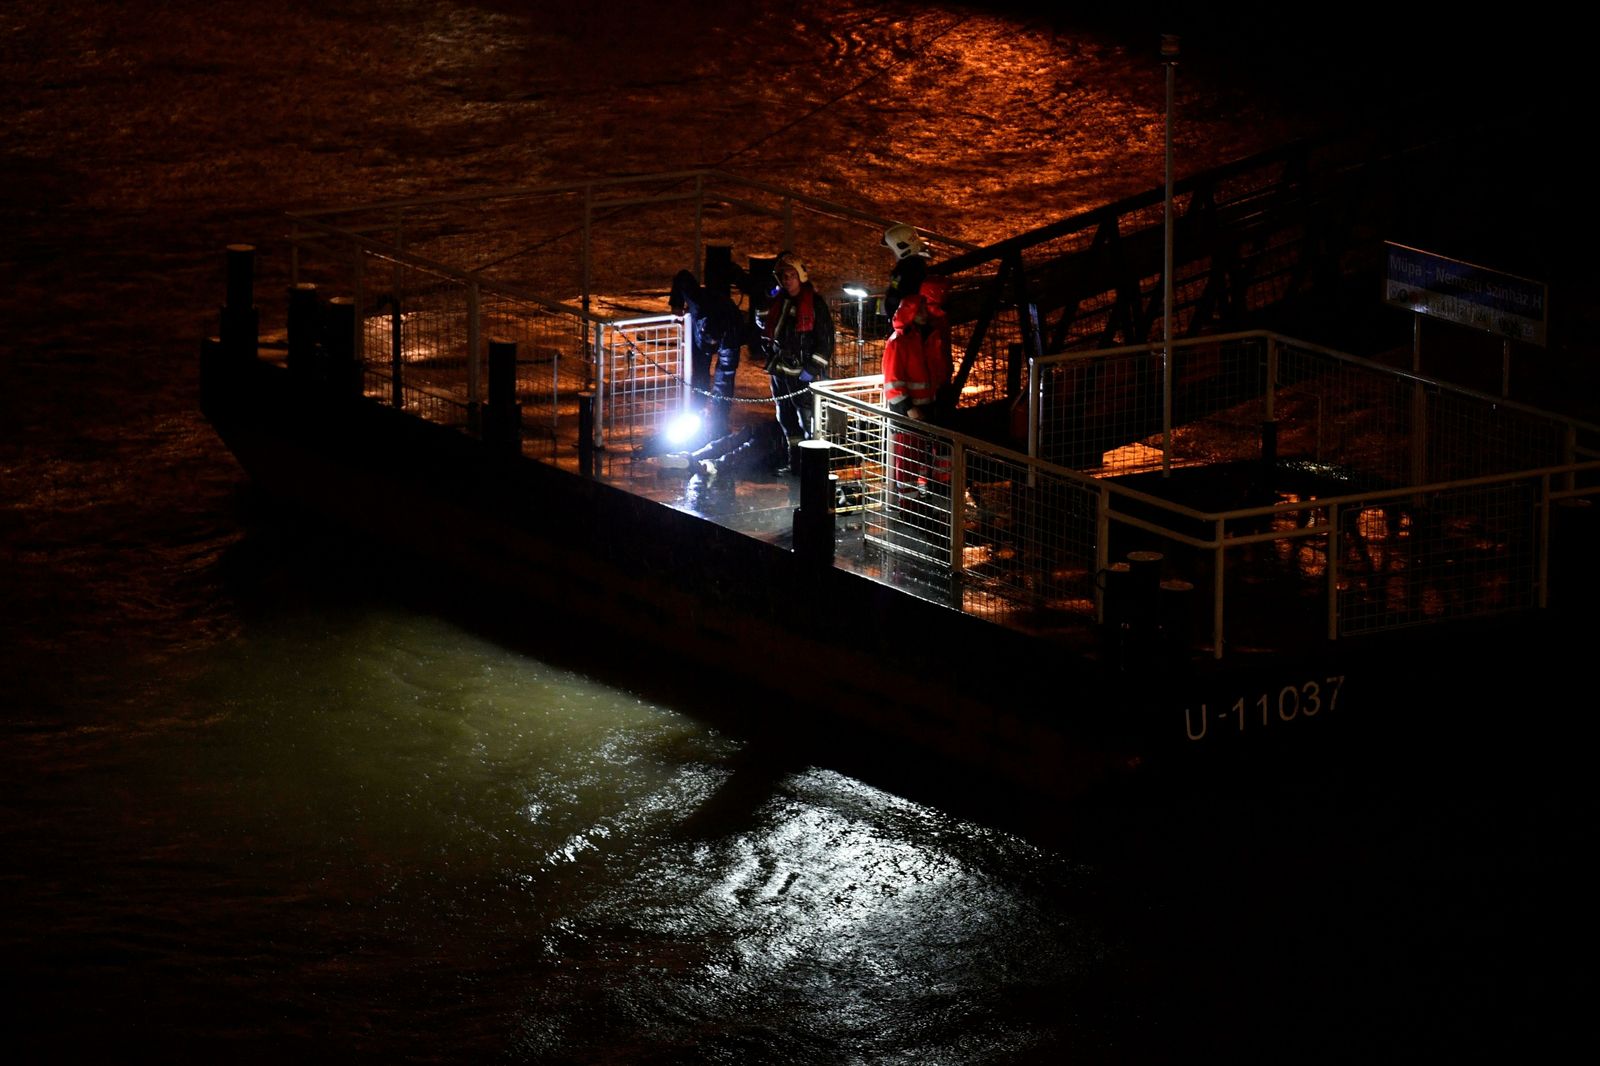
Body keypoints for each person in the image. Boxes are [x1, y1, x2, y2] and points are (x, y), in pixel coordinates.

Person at [882, 275, 954, 548]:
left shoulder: (927, 336)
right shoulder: (898, 342)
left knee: (925, 460)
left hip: (929, 409)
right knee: (908, 462)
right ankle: (909, 509)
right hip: (910, 413)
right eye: (921, 308)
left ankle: (924, 506)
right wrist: (909, 409)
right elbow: (893, 381)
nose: (926, 311)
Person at [756, 251, 833, 468]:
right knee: (786, 417)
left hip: (803, 375)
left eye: (792, 275)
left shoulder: (815, 304)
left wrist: (812, 368)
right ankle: (795, 462)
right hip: (780, 371)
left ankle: (813, 466)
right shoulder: (778, 302)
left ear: (801, 276)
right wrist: (766, 298)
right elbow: (762, 322)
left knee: (808, 419)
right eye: (784, 276)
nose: (788, 280)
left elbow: (825, 342)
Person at [668, 267, 745, 440]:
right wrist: (676, 304)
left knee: (724, 380)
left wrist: (718, 416)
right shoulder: (698, 303)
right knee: (700, 372)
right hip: (699, 333)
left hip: (728, 331)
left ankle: (719, 421)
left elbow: (725, 379)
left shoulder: (732, 333)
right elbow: (683, 277)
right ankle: (697, 410)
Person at [879, 222, 930, 321]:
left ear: (901, 247)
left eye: (892, 250)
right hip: (905, 320)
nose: (892, 253)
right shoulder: (916, 265)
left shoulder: (907, 269)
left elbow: (900, 298)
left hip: (906, 322)